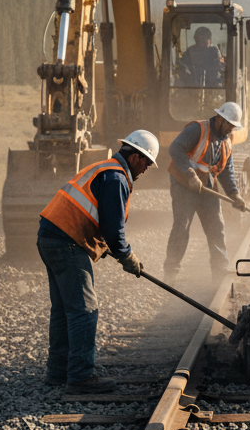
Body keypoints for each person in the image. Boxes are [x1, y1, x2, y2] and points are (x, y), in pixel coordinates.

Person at [36, 130, 160, 392]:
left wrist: (115, 251)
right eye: (147, 162)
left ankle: (58, 371)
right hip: (67, 241)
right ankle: (80, 377)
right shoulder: (116, 177)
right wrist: (127, 256)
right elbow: (114, 230)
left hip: (50, 237)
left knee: (63, 310)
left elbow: (98, 221)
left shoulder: (105, 168)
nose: (147, 169)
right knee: (85, 310)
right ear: (136, 157)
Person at [163, 101, 246, 281]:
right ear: (219, 119)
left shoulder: (227, 139)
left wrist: (234, 195)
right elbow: (175, 149)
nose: (230, 130)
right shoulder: (197, 129)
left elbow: (226, 170)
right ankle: (170, 272)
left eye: (233, 127)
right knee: (182, 227)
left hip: (206, 187)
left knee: (216, 227)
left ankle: (220, 270)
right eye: (229, 125)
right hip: (183, 184)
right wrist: (190, 175)